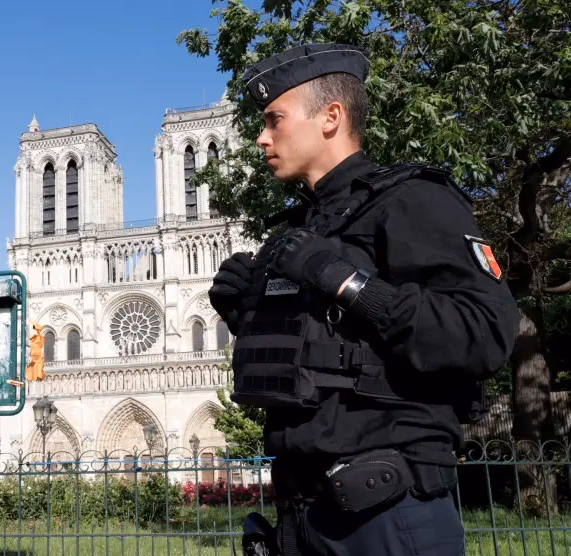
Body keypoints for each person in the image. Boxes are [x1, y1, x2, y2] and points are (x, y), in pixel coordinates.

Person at [208, 44, 519, 556]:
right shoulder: (297, 231)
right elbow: (320, 359)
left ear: (331, 116)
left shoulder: (412, 200)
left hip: (389, 513)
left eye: (274, 119)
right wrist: (246, 315)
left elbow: (483, 334)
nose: (261, 137)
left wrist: (342, 280)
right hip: (301, 512)